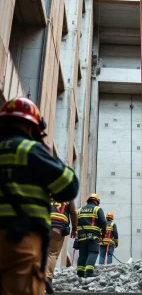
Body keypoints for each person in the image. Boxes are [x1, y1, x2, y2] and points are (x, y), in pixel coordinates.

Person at [0, 97, 79, 295]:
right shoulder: (29, 149)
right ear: (32, 127)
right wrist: (46, 151)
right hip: (20, 237)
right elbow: (69, 186)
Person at [45, 199, 78, 294]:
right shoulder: (68, 194)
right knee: (52, 253)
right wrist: (74, 229)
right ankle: (47, 277)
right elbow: (73, 212)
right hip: (58, 227)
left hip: (43, 226)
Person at [77, 193, 106, 277]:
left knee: (82, 254)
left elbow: (76, 222)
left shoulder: (80, 210)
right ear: (96, 201)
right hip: (93, 236)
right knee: (93, 252)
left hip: (82, 236)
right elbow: (103, 222)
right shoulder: (97, 209)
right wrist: (103, 233)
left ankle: (80, 272)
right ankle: (89, 272)